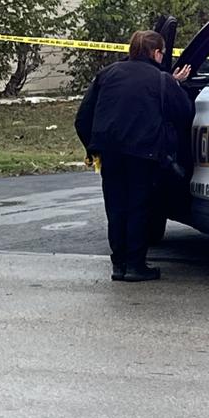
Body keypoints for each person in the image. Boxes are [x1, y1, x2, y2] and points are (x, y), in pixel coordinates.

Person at [76, 31, 193, 282]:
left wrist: (93, 149)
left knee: (115, 207)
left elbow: (83, 118)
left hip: (110, 151)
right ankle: (135, 265)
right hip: (144, 152)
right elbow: (184, 113)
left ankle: (118, 264)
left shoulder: (107, 74)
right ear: (157, 53)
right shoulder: (161, 79)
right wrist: (175, 85)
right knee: (139, 206)